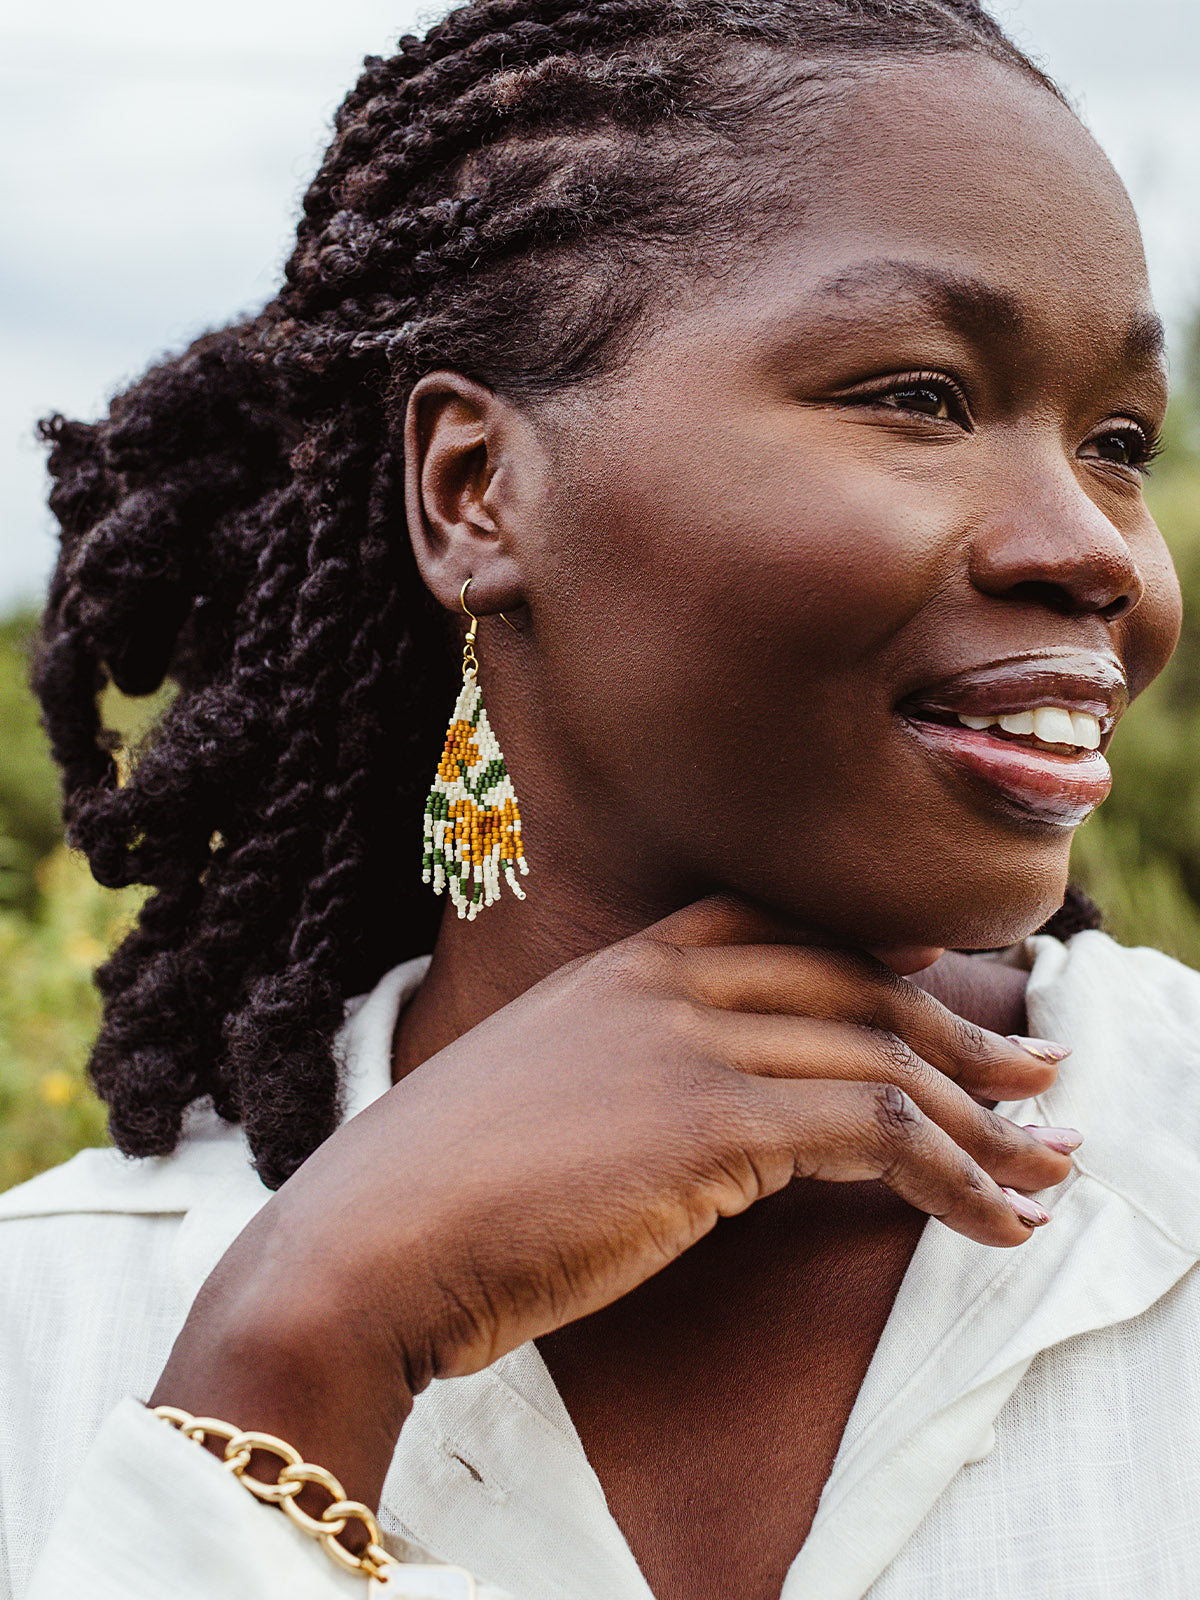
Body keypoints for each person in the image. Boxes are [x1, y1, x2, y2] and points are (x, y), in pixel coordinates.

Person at [3, 0, 1199, 1595]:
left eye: (1118, 439)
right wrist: (299, 1355)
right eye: (917, 396)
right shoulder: (55, 1325)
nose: (1101, 550)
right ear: (473, 490)